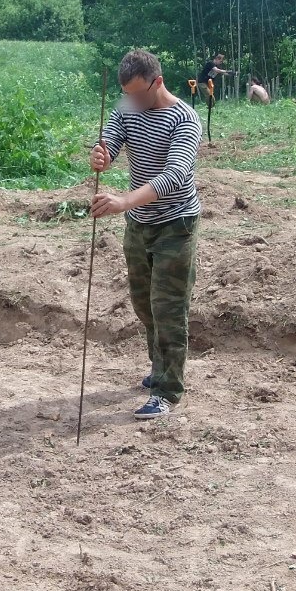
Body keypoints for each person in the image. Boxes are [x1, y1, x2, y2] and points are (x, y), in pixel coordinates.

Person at [89, 49, 202, 421]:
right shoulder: (127, 106)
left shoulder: (184, 118)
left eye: (138, 94)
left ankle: (168, 390)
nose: (131, 101)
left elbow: (173, 176)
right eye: (127, 95)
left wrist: (123, 201)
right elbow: (113, 137)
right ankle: (159, 367)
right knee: (143, 303)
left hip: (176, 224)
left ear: (158, 82)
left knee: (168, 308)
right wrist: (101, 155)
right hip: (139, 225)